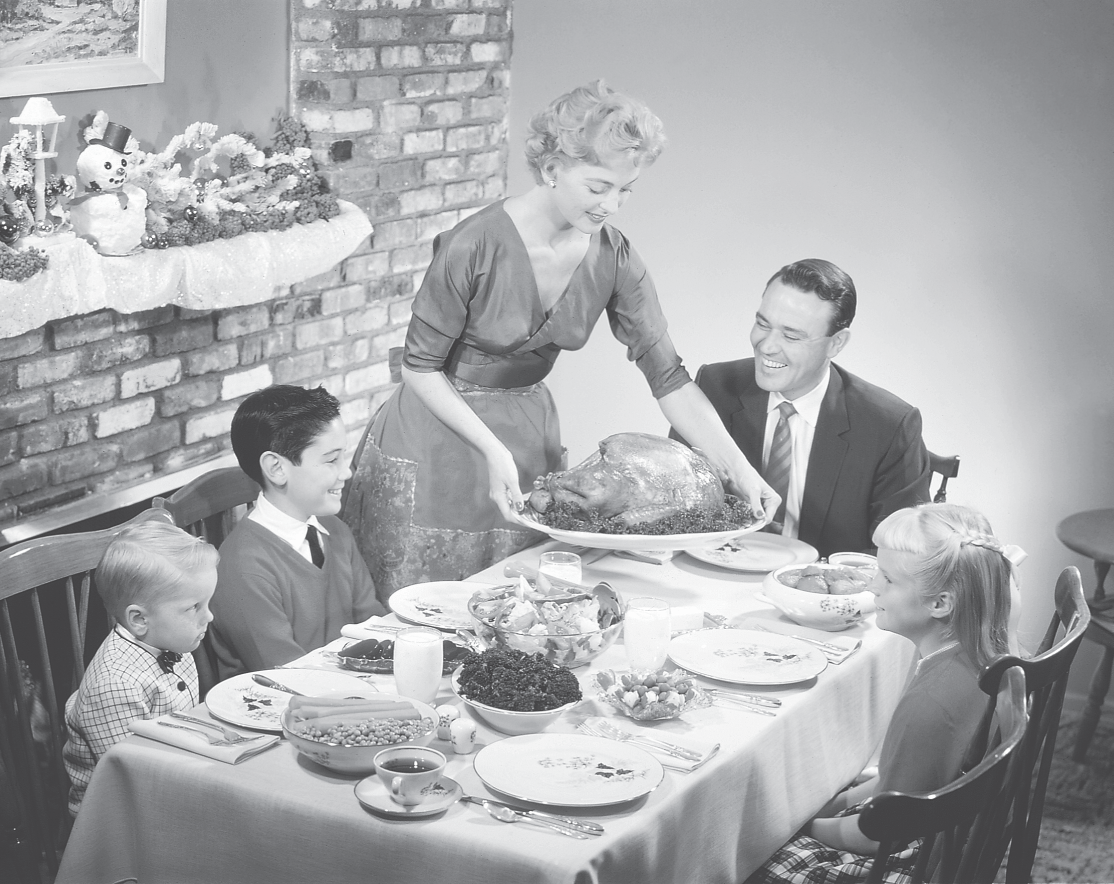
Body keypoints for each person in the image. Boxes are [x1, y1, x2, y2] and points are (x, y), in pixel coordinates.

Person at [342, 80, 776, 598]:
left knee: (521, 609)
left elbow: (669, 379)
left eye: (625, 190)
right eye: (598, 187)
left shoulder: (613, 256)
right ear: (551, 170)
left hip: (526, 435)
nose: (612, 205)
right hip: (438, 434)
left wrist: (740, 470)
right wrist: (491, 449)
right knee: (428, 610)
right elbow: (418, 366)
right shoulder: (474, 243)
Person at [750, 502, 1022, 884]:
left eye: (888, 579)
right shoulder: (974, 659)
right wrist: (827, 807)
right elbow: (899, 782)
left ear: (941, 604)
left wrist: (803, 829)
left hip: (913, 862)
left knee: (748, 858)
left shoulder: (932, 703)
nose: (872, 585)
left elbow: (879, 834)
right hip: (938, 830)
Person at [674, 258, 930, 556]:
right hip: (713, 576)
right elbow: (675, 497)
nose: (766, 346)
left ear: (836, 344)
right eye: (762, 324)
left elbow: (903, 553)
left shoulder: (888, 425)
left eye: (791, 336)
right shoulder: (714, 387)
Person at [208, 384, 385, 679]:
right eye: (331, 460)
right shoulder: (242, 567)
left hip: (349, 688)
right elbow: (286, 673)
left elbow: (372, 624)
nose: (346, 473)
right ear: (276, 468)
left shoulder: (334, 530)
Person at [63, 520, 218, 816]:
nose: (209, 616)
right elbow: (133, 780)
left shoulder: (170, 641)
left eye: (208, 603)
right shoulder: (115, 685)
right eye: (194, 607)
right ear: (139, 620)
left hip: (175, 775)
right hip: (117, 817)